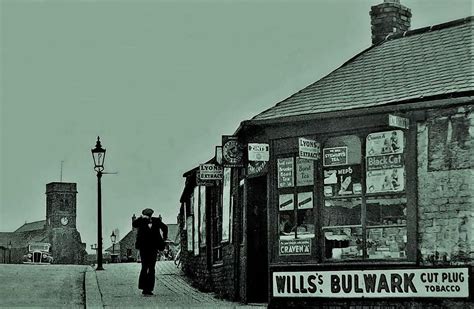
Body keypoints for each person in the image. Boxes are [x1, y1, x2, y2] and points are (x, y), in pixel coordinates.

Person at [132, 208, 168, 296]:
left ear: (151, 215)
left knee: (151, 268)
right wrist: (141, 218)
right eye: (146, 215)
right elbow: (134, 224)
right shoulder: (140, 221)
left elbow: (165, 227)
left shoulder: (156, 220)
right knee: (144, 267)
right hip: (143, 247)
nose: (147, 217)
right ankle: (144, 288)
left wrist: (164, 238)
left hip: (153, 247)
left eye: (148, 215)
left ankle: (149, 289)